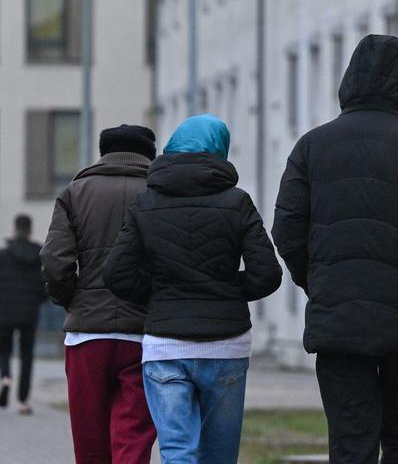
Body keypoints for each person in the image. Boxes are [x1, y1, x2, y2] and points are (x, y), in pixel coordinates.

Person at [273, 34, 398, 464]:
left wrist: (319, 281)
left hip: (338, 322)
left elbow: (286, 229)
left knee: (350, 440)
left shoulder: (311, 147)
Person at [105, 114, 282, 464]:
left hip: (165, 344)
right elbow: (267, 275)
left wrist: (160, 294)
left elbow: (116, 273)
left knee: (177, 452)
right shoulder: (237, 202)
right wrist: (227, 290)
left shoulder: (146, 201)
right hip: (226, 344)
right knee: (219, 455)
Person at [41, 124, 159, 464]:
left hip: (87, 335)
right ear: (149, 153)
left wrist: (72, 299)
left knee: (90, 437)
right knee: (133, 436)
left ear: (103, 152)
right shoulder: (161, 192)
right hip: (144, 332)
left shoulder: (75, 192)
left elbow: (54, 260)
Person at [0, 213, 47, 414]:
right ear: (30, 230)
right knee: (26, 355)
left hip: (5, 311)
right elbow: (49, 282)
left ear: (14, 229)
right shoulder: (40, 255)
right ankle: (23, 400)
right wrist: (37, 301)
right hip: (29, 312)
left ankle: (5, 377)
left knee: (3, 349)